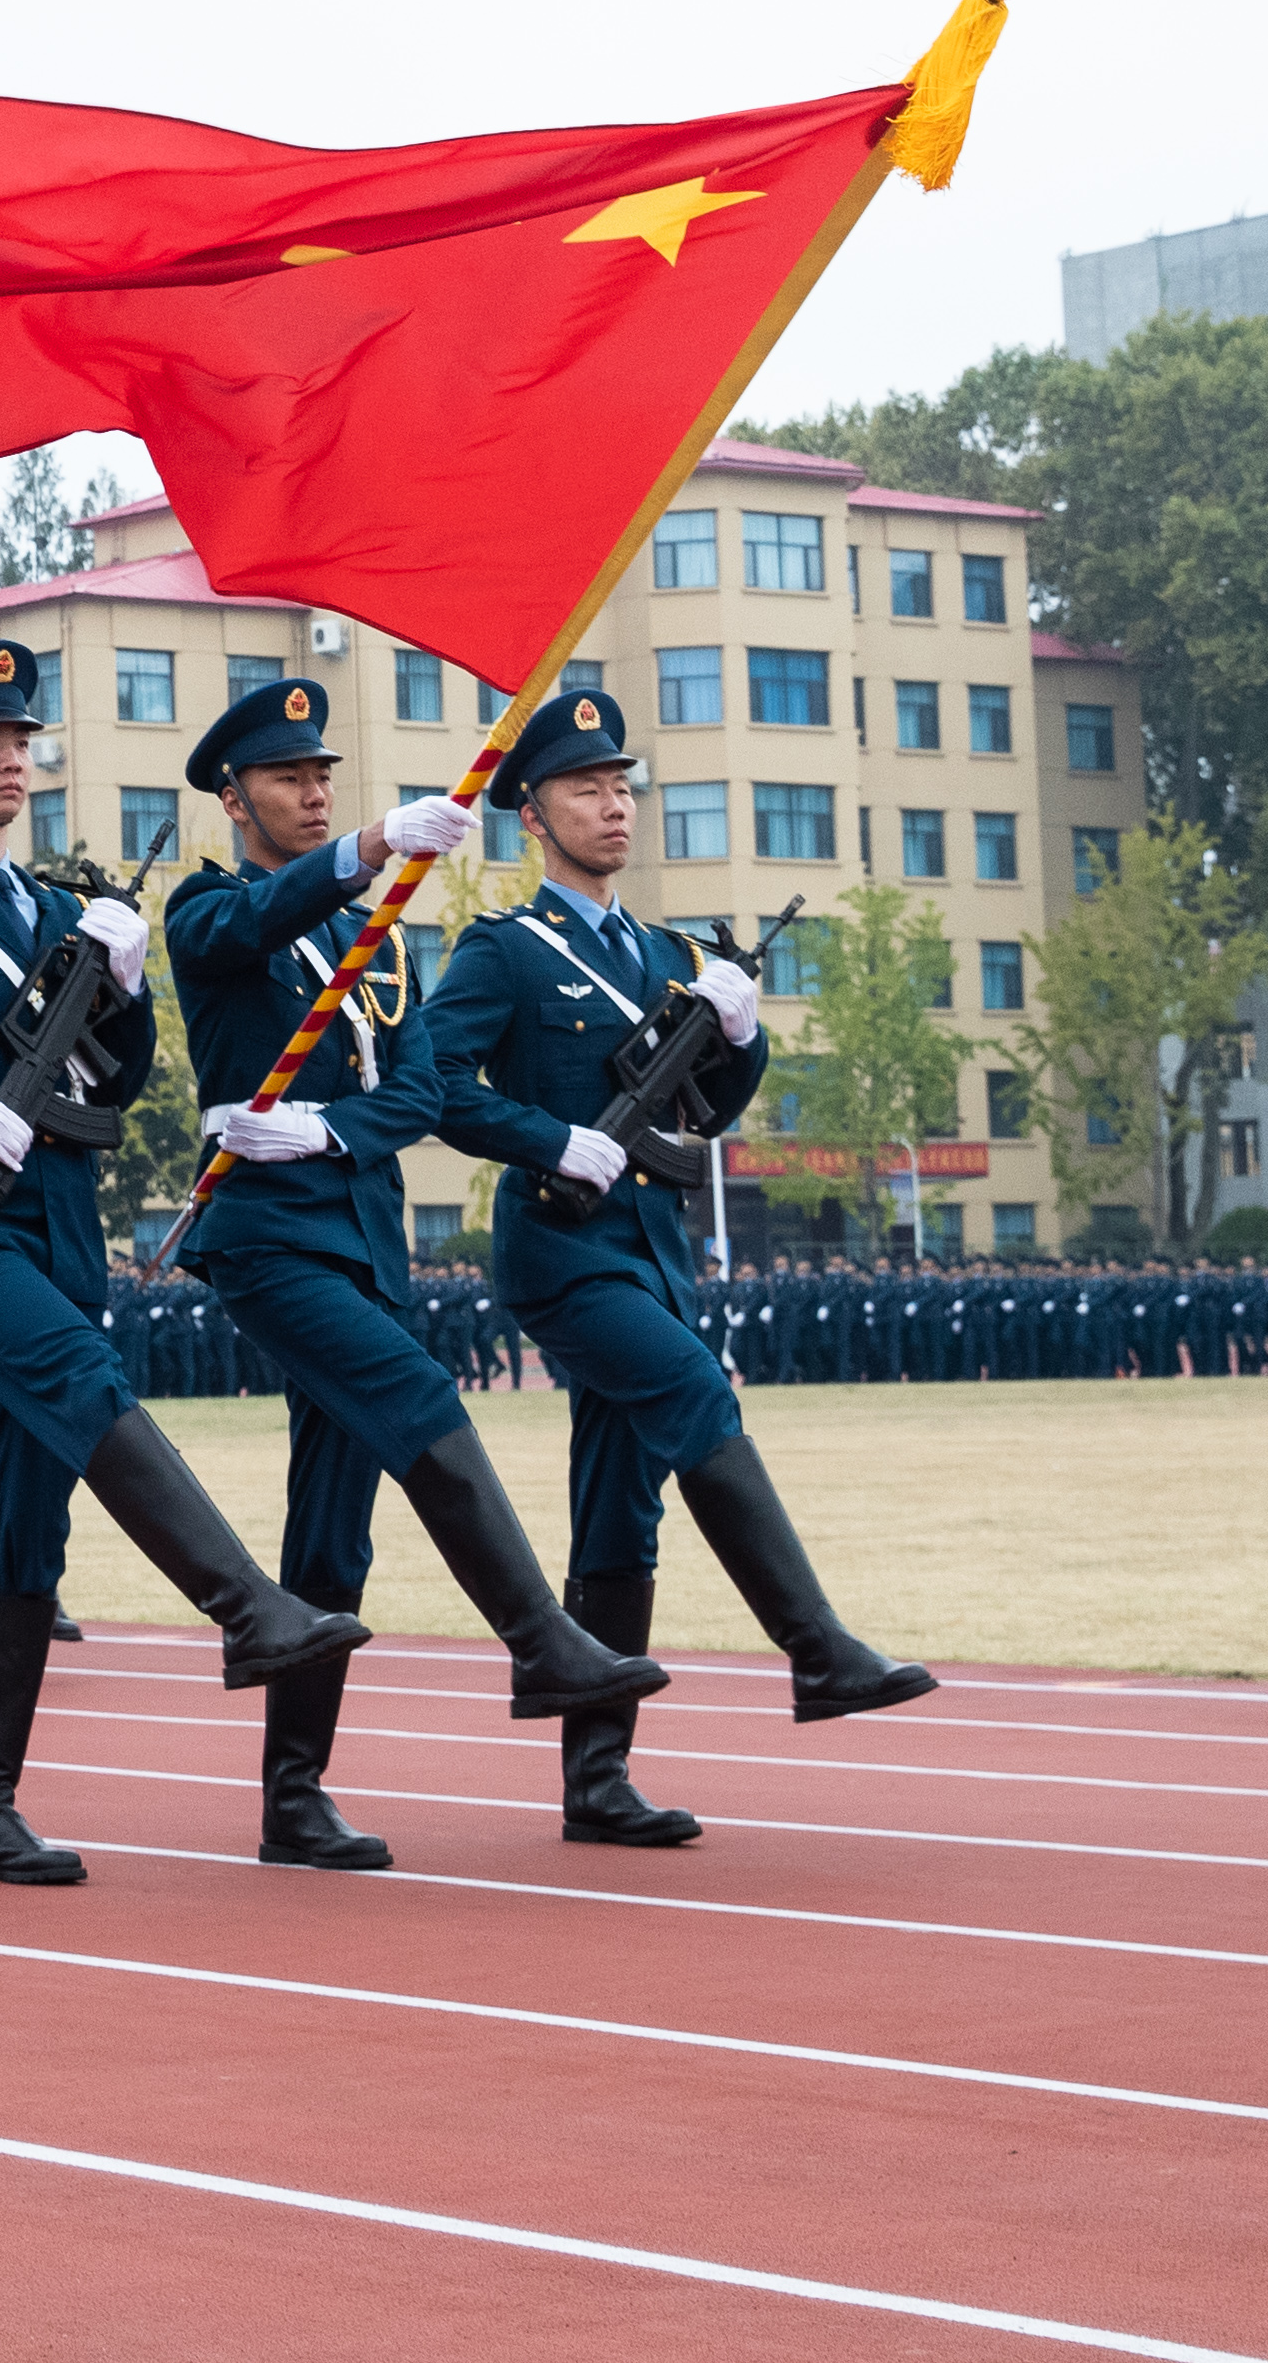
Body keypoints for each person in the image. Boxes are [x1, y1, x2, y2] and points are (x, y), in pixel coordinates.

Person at [0, 639, 366, 1887]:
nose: (9, 760)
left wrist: (131, 988)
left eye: (20, 741)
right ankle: (247, 1607)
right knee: (84, 1382)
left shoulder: (52, 912)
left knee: (20, 1513)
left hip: (57, 1223)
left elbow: (113, 1084)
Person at [162, 678, 667, 1869]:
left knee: (333, 1528)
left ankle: (294, 1795)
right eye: (288, 778)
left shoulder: (371, 939)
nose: (313, 789)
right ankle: (540, 1637)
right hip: (269, 1244)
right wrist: (369, 844)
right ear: (234, 798)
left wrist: (334, 1129)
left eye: (324, 775)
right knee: (418, 1398)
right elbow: (246, 930)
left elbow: (423, 1089)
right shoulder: (215, 906)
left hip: (363, 1235)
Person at [428, 686, 934, 1852]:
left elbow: (698, 1110)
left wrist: (743, 1040)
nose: (611, 807)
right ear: (533, 815)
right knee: (700, 1397)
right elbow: (441, 1084)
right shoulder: (504, 952)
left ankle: (596, 1779)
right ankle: (817, 1650)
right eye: (583, 790)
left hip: (654, 1251)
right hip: (562, 1250)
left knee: (620, 1503)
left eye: (620, 788)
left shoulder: (666, 956)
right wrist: (551, 1138)